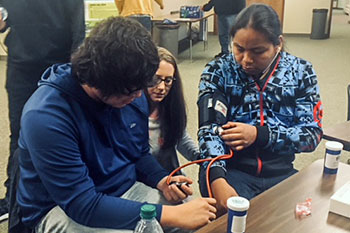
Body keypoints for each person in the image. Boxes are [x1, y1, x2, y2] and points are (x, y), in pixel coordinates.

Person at [17, 17, 216, 232]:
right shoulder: (46, 117)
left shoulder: (131, 89)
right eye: (131, 91)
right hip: (62, 207)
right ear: (100, 82)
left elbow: (138, 153)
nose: (140, 96)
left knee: (191, 213)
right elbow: (82, 205)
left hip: (122, 188)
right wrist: (169, 215)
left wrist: (161, 180)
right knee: (159, 223)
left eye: (143, 86)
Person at [197, 4, 323, 216]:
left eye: (258, 51)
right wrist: (217, 178)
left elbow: (311, 135)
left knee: (301, 220)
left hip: (282, 172)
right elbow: (209, 131)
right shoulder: (218, 70)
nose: (246, 60)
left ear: (278, 44)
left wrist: (259, 135)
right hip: (231, 170)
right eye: (238, 48)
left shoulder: (302, 72)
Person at [0, 0, 85, 221]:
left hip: (59, 67)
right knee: (19, 133)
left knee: (65, 129)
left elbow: (78, 28)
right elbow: (3, 20)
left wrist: (75, 71)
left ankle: (63, 191)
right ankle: (14, 197)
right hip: (21, 66)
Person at [146, 47, 199, 174]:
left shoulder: (170, 107)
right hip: (141, 179)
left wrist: (200, 158)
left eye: (168, 80)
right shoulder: (130, 110)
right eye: (155, 79)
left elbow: (180, 137)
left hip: (168, 173)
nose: (161, 87)